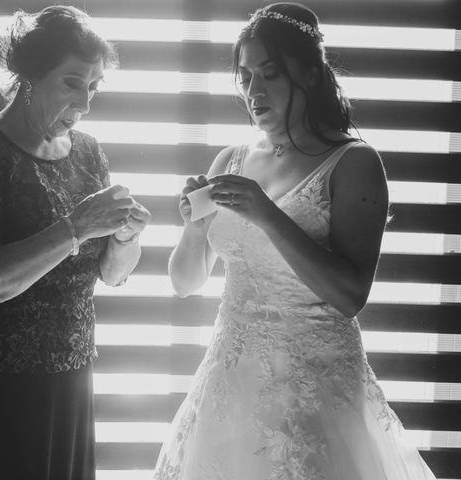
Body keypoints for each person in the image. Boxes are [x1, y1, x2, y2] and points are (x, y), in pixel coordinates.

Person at [154, 3, 435, 479]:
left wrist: (267, 214)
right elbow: (184, 283)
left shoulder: (355, 162)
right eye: (245, 76)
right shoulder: (231, 159)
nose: (253, 91)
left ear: (308, 75)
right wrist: (195, 227)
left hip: (314, 390)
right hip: (228, 383)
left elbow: (350, 297)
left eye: (269, 74)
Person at [0, 6, 151, 480]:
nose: (85, 103)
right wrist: (75, 227)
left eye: (93, 87)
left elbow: (112, 274)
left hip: (69, 374)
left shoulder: (89, 152)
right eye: (72, 83)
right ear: (29, 76)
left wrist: (126, 236)